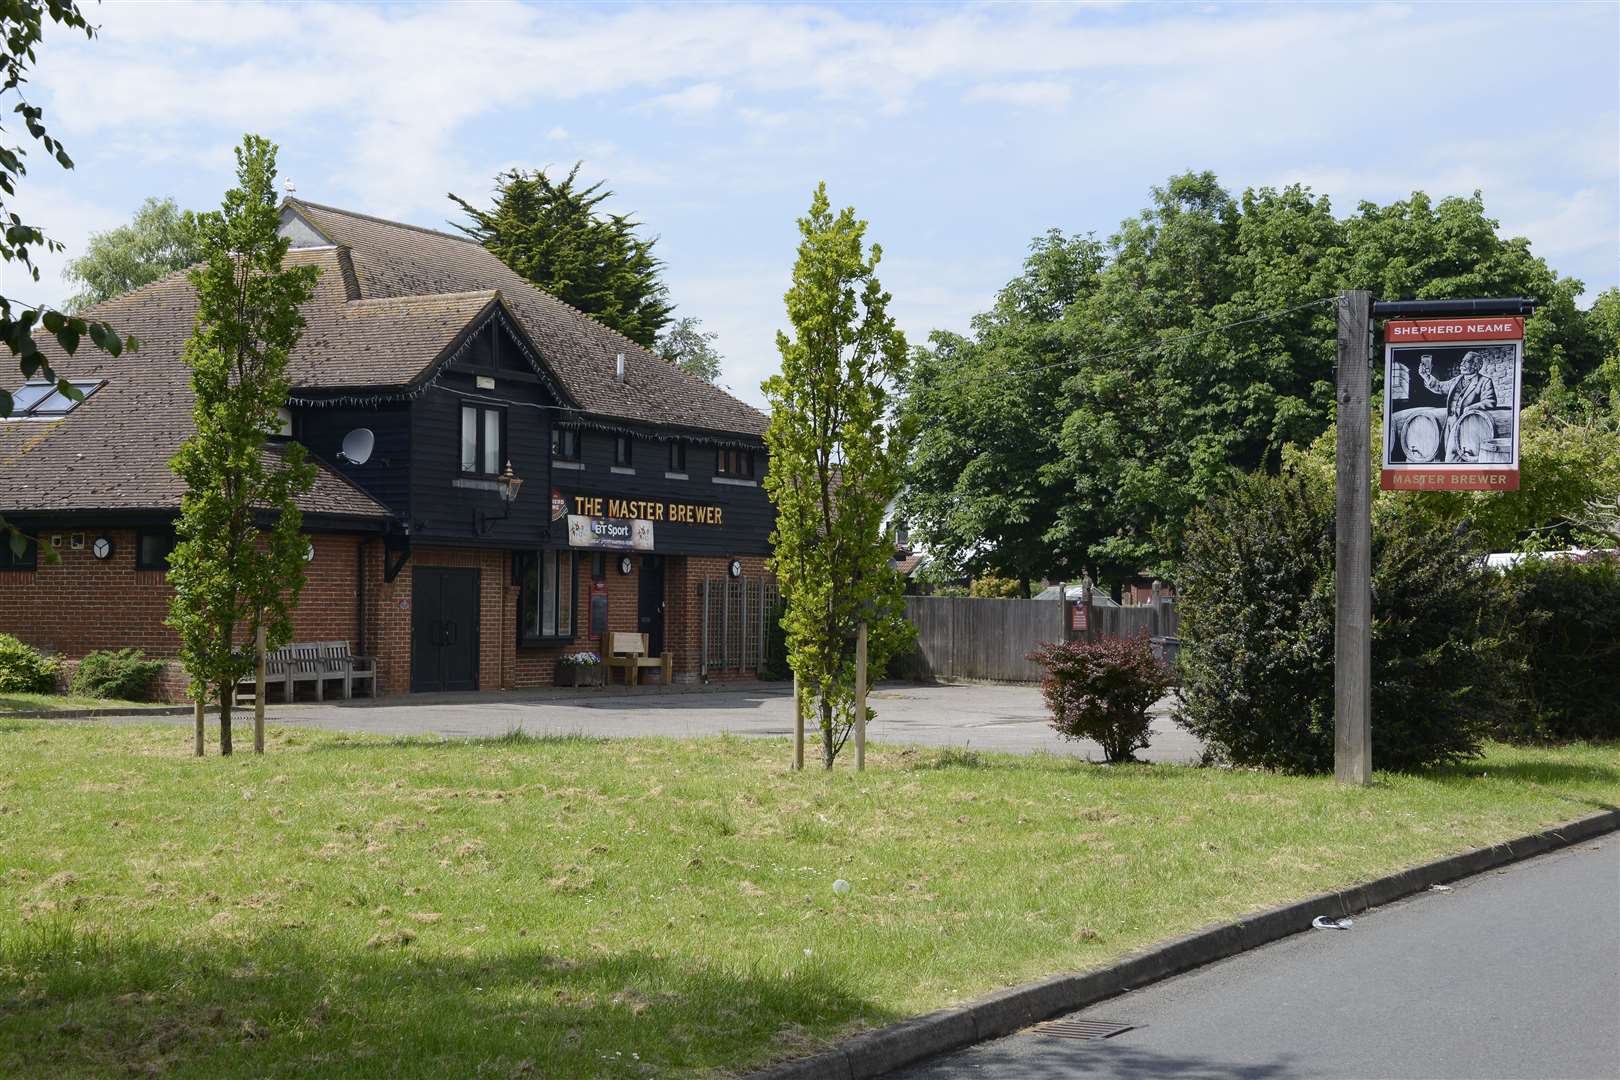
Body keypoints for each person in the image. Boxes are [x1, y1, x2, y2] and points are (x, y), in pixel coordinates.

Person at [1418, 351, 1497, 462]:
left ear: (1476, 365)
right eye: (1462, 361)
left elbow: (1490, 401)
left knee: (1455, 455)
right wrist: (1426, 376)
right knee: (1445, 451)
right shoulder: (1457, 380)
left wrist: (1472, 408)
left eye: (1466, 361)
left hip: (1468, 425)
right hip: (1450, 422)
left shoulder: (1484, 381)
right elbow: (1440, 387)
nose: (1462, 364)